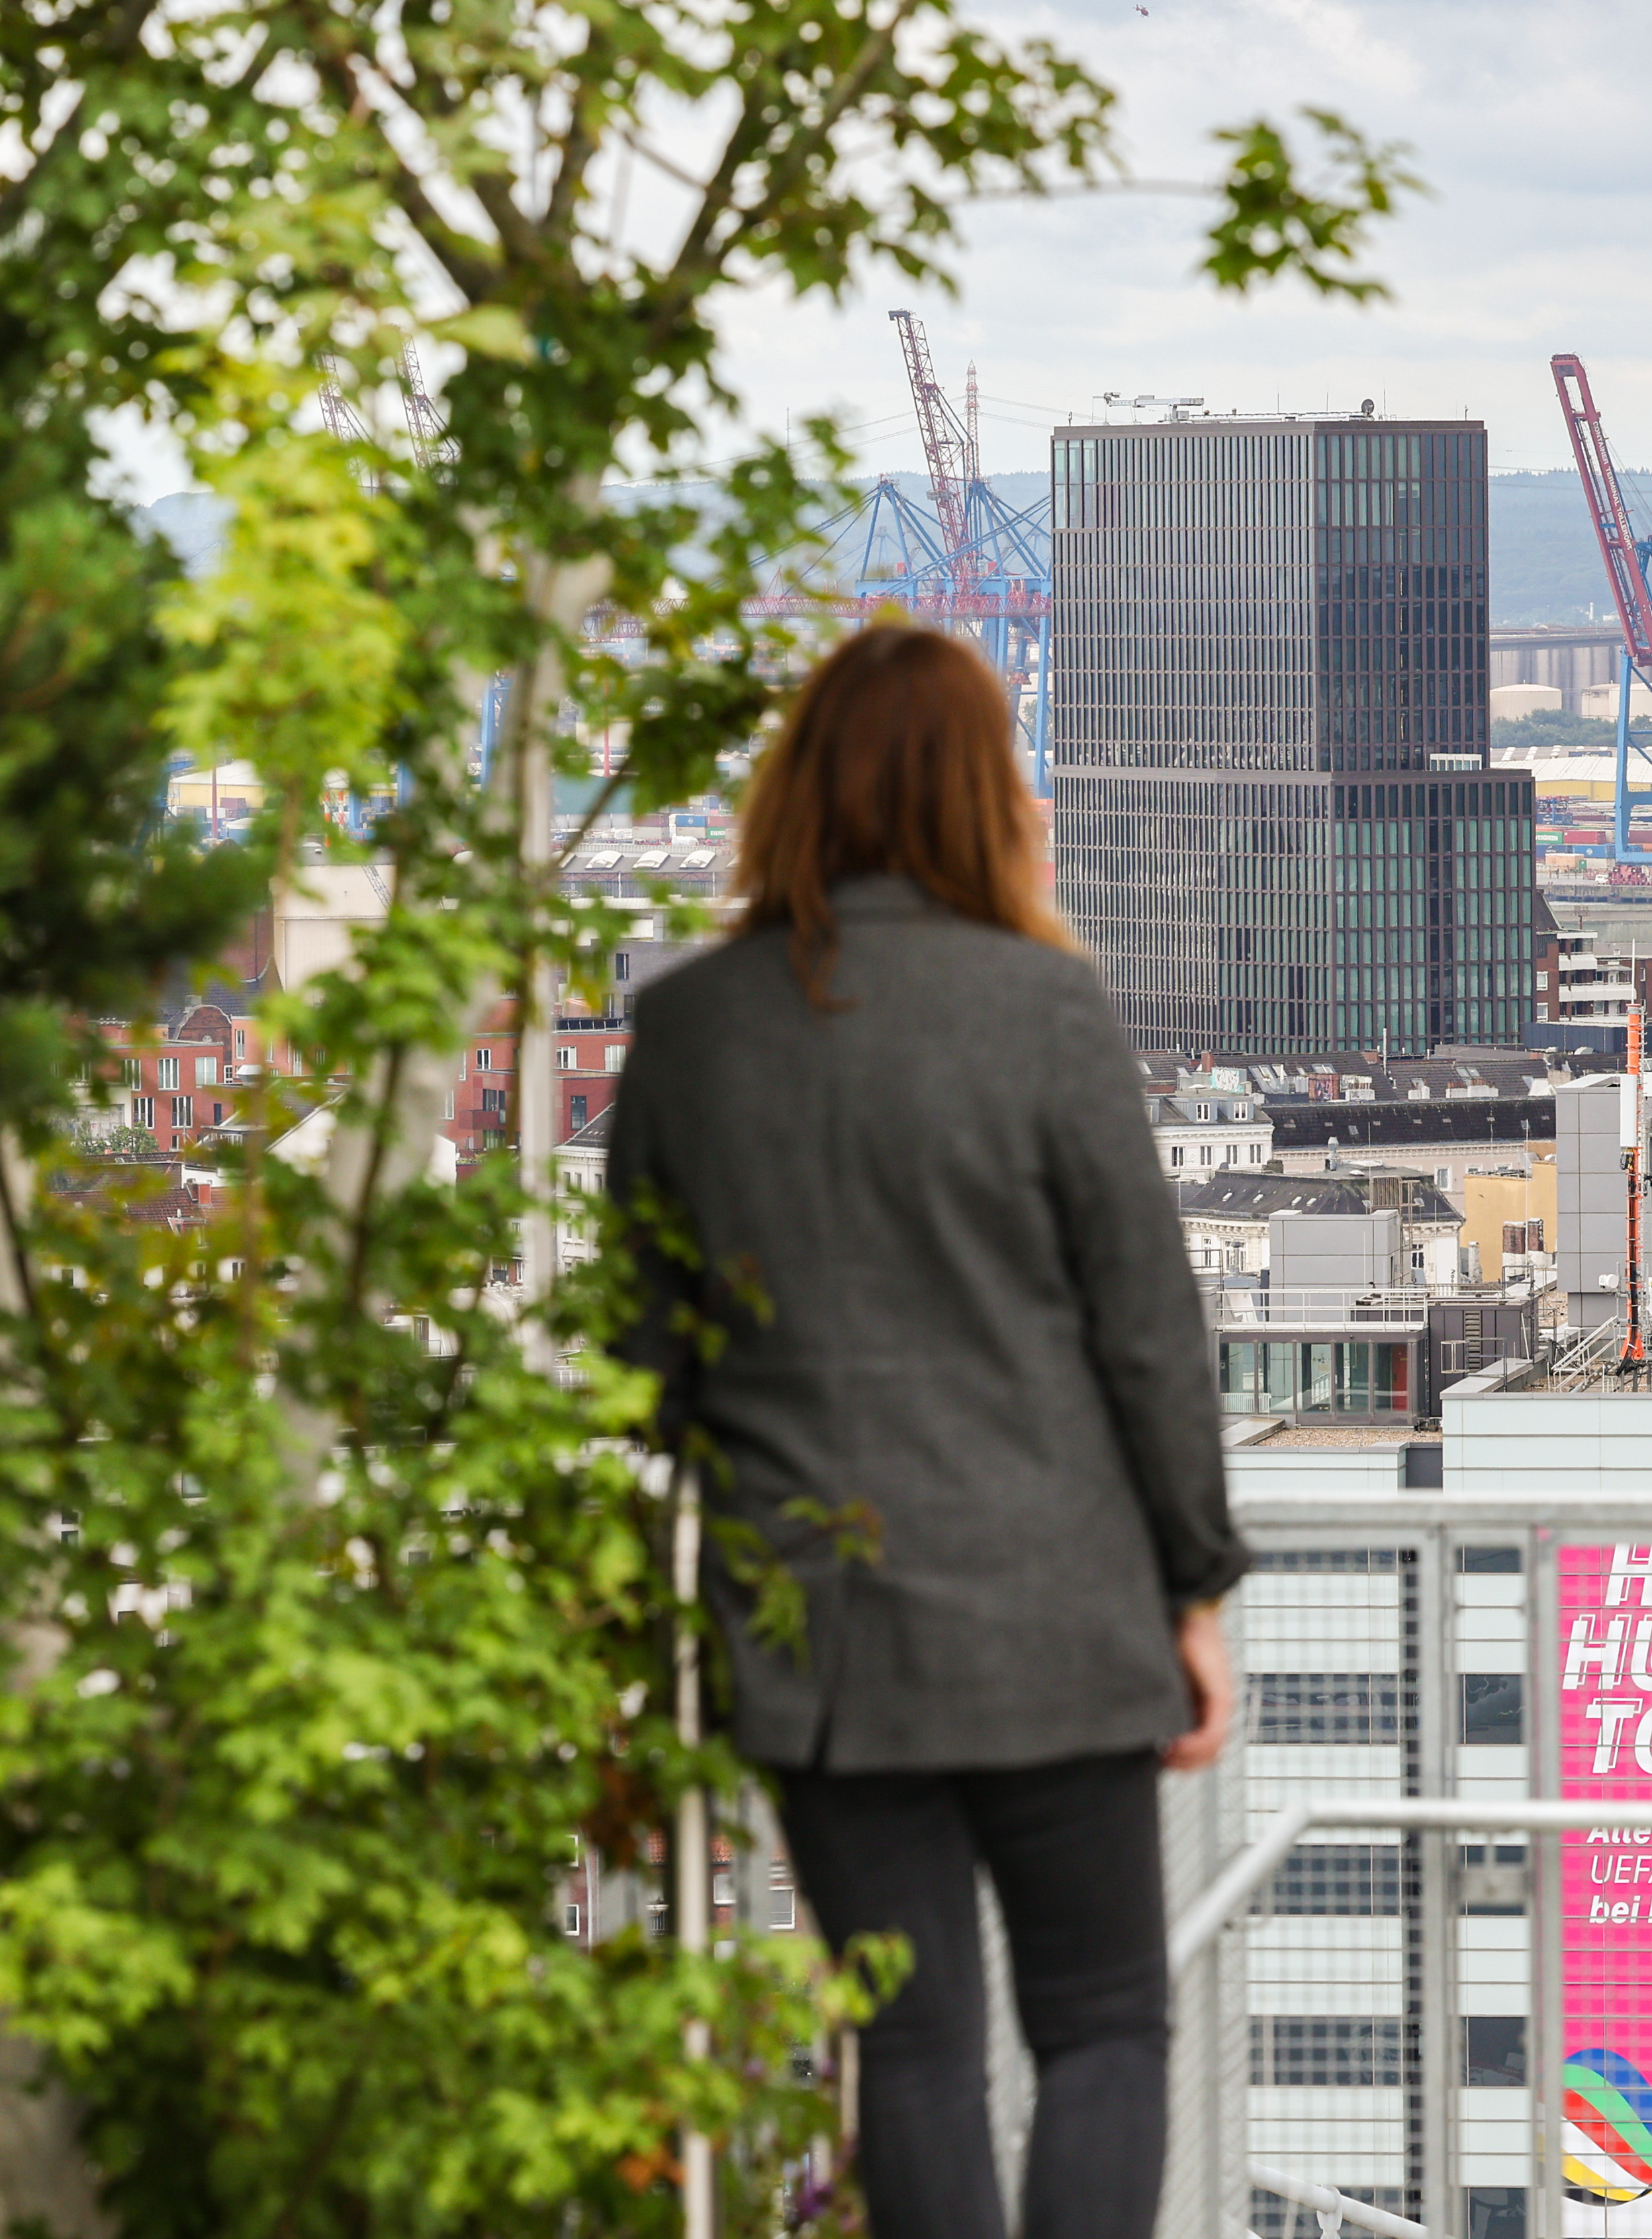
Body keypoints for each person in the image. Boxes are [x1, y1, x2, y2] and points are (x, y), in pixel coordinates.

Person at [608, 618, 1244, 2239]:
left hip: (819, 1628)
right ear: (988, 793)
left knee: (911, 2040)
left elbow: (641, 1357)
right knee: (1101, 2018)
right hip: (1057, 1609)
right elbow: (1149, 1333)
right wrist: (1190, 1588)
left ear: (793, 792)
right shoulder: (1044, 1008)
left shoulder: (686, 1030)